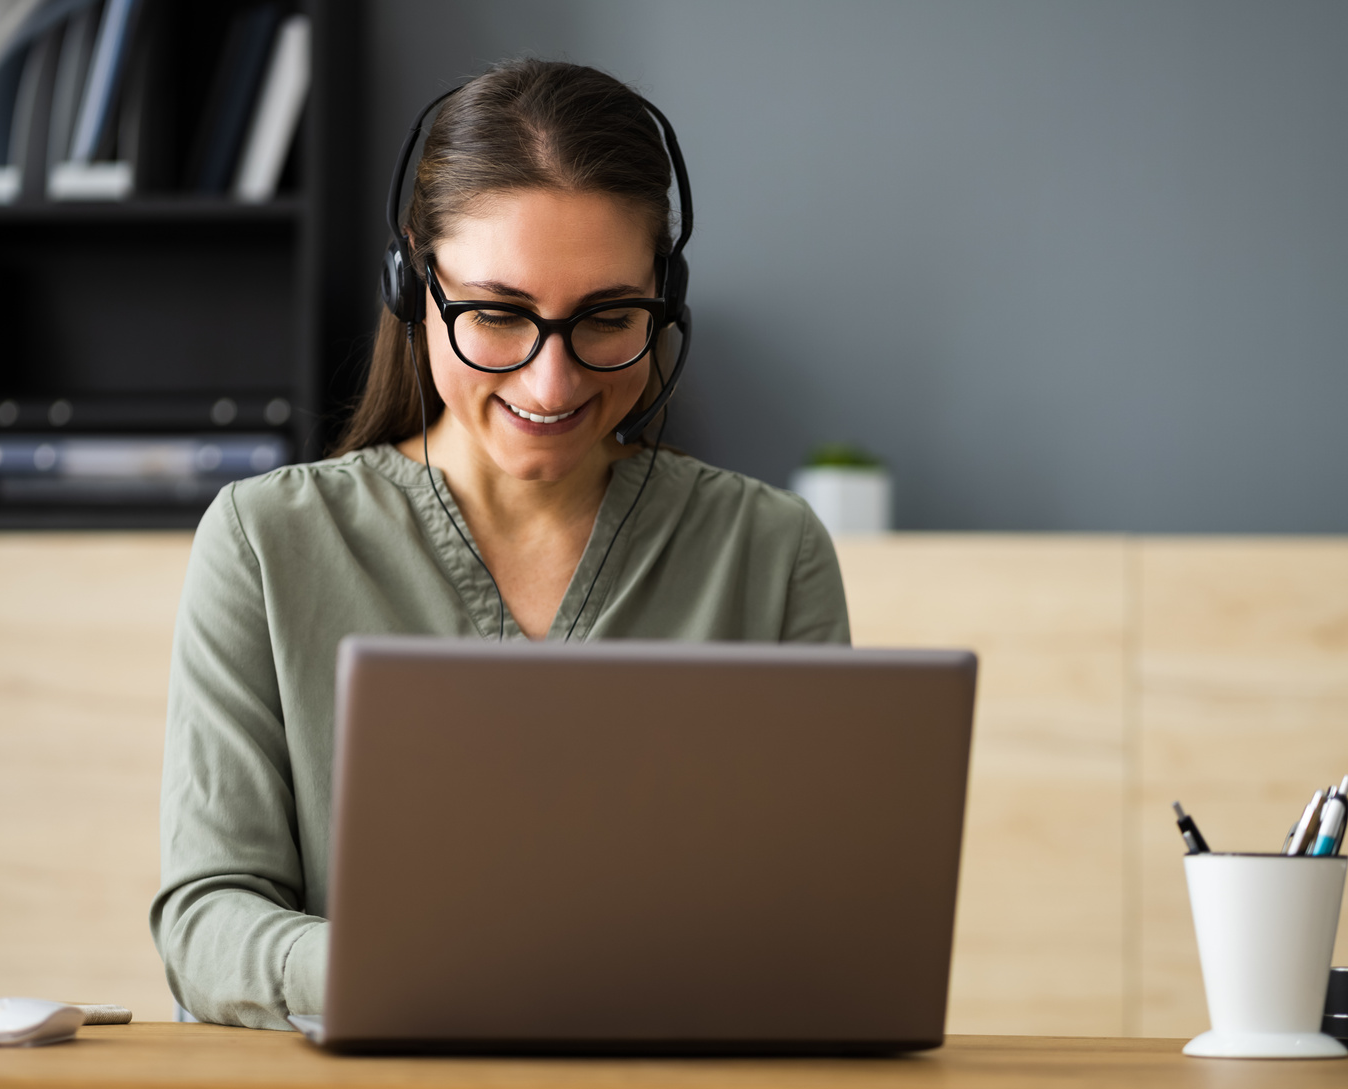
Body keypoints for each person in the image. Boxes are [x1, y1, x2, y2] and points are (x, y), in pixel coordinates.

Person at [151, 60, 851, 1029]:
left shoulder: (769, 553)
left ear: (667, 296)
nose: (552, 382)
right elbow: (205, 923)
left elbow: (824, 925)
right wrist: (424, 971)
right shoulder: (267, 543)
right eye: (496, 314)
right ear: (413, 286)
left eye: (609, 319)